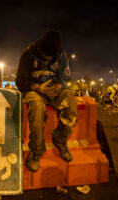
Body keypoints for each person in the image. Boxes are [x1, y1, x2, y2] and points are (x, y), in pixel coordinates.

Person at [15, 29, 77, 172]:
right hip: (34, 90)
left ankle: (60, 139)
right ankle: (36, 150)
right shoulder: (28, 54)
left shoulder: (62, 55)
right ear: (39, 49)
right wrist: (37, 87)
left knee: (71, 102)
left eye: (52, 57)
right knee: (37, 106)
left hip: (54, 91)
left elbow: (64, 77)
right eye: (45, 57)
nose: (49, 60)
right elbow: (20, 80)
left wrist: (58, 85)